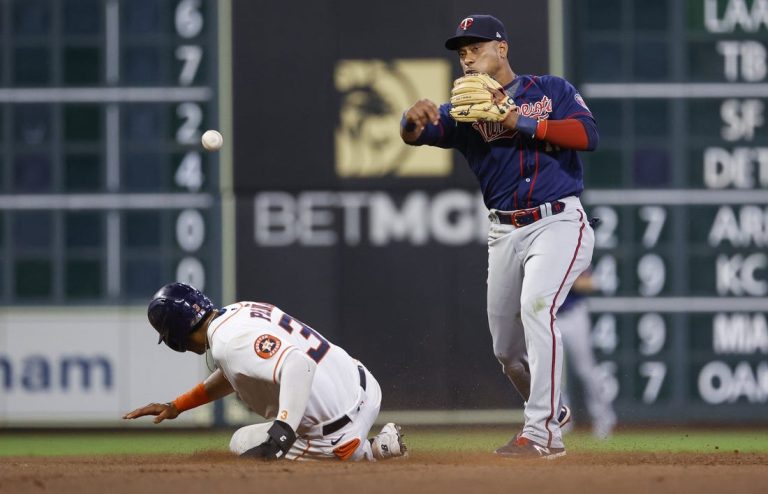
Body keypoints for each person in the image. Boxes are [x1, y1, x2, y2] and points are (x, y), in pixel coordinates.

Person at [400, 14, 597, 458]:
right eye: (462, 52)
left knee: (537, 307)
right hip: (504, 231)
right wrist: (409, 120)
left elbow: (588, 134)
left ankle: (543, 432)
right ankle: (550, 409)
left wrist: (521, 122)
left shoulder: (550, 91)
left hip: (558, 221)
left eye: (477, 47)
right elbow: (416, 134)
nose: (467, 57)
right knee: (507, 352)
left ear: (502, 48)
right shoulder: (463, 112)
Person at [123, 283, 407, 462]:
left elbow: (300, 365)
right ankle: (379, 446)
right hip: (364, 388)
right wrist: (178, 405)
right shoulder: (238, 310)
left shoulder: (228, 343)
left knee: (242, 443)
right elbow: (236, 373)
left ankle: (366, 452)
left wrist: (282, 434)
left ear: (174, 335)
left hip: (337, 430)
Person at [557, 271, 617, 439]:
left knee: (585, 370)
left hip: (573, 315)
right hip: (549, 316)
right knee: (552, 373)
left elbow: (589, 284)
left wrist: (563, 279)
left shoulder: (574, 257)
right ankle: (562, 421)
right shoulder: (541, 258)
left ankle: (603, 418)